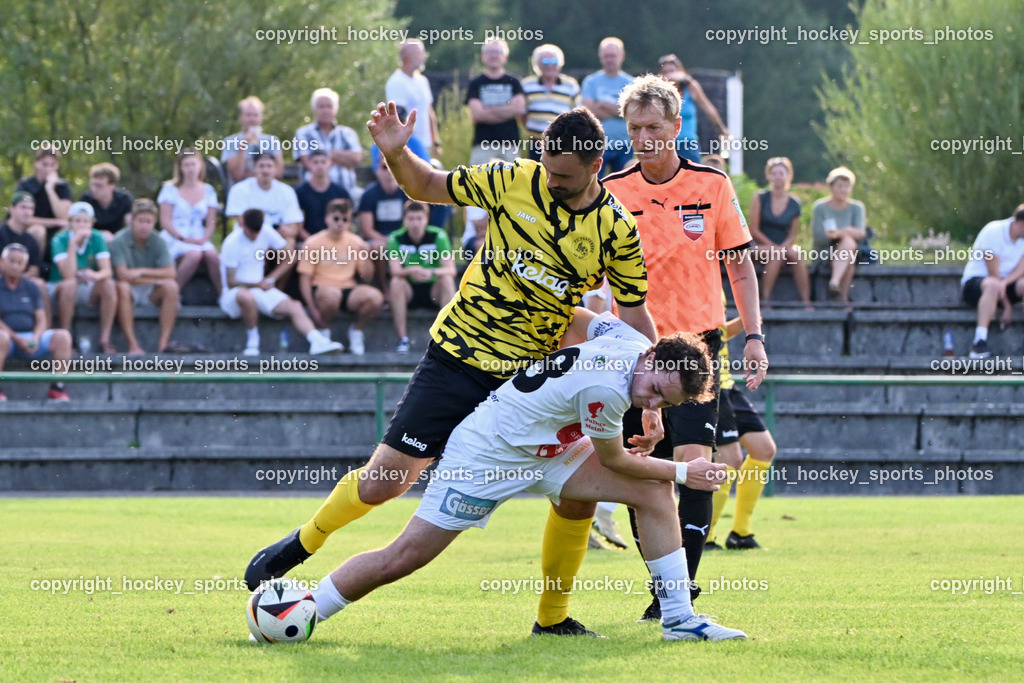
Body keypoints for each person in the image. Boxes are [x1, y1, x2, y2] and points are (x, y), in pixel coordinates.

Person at [246, 103, 659, 639]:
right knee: (383, 483)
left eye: (563, 175)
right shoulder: (512, 178)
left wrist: (650, 396)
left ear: (596, 164)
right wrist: (397, 152)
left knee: (580, 496)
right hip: (457, 359)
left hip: (528, 383)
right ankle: (304, 542)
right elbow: (426, 185)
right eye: (546, 168)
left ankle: (552, 619)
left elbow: (633, 315)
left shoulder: (616, 228)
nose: (551, 181)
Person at [307, 312, 746, 642]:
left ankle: (678, 618)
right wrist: (687, 471)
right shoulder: (606, 389)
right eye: (654, 392)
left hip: (548, 448)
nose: (649, 402)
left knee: (652, 490)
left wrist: (652, 412)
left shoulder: (631, 340)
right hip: (487, 455)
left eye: (665, 403)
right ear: (652, 357)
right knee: (404, 557)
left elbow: (574, 314)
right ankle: (305, 608)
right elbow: (615, 460)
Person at [602, 74, 767, 621]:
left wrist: (754, 336)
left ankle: (681, 592)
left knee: (696, 465)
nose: (643, 138)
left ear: (676, 126)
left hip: (698, 346)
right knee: (640, 469)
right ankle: (664, 586)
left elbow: (740, 266)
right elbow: (594, 275)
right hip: (633, 348)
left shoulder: (711, 185)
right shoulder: (612, 191)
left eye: (653, 127)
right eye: (634, 128)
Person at [219, 208, 342, 357]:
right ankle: (252, 343)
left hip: (259, 289)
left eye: (258, 231)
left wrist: (272, 278)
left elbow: (291, 256)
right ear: (243, 224)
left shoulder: (266, 231)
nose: (255, 235)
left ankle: (317, 341)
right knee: (246, 296)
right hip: (234, 294)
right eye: (252, 231)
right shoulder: (231, 243)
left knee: (295, 306)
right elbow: (231, 282)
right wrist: (258, 284)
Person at [706, 299, 777, 551]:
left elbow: (719, 331)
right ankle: (705, 536)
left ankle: (740, 533)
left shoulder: (719, 287)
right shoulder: (697, 284)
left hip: (727, 385)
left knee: (764, 449)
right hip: (710, 386)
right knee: (729, 460)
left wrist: (750, 320)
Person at [297, 198, 382, 355]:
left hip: (348, 288)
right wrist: (312, 308)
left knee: (375, 298)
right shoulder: (313, 242)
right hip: (323, 288)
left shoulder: (356, 242)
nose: (340, 223)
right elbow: (304, 278)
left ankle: (357, 331)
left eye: (345, 219)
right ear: (327, 218)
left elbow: (367, 277)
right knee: (332, 295)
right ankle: (324, 330)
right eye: (336, 218)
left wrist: (367, 257)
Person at [0, 243, 72, 402]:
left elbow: (41, 318)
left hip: (30, 337)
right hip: (7, 339)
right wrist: (16, 338)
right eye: (11, 261)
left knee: (63, 336)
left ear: (25, 266)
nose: (15, 266)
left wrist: (35, 338)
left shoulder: (31, 287)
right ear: (2, 262)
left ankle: (58, 387)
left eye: (19, 262)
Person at [111, 200, 181, 355]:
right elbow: (122, 275)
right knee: (122, 287)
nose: (144, 226)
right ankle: (132, 344)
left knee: (171, 287)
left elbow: (171, 272)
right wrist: (157, 279)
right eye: (141, 221)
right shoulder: (119, 240)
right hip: (130, 290)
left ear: (154, 223)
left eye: (148, 222)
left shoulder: (159, 241)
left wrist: (141, 272)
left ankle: (163, 344)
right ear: (132, 221)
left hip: (150, 289)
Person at [386, 201, 456, 353]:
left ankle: (446, 337)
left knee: (447, 280)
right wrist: (411, 270)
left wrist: (431, 272)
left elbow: (450, 269)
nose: (415, 223)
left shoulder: (438, 235)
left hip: (433, 290)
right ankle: (402, 339)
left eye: (419, 218)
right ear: (405, 220)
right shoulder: (395, 238)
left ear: (426, 219)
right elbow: (395, 271)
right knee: (396, 282)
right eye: (411, 219)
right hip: (409, 291)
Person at [48, 202, 118, 353]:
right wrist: (73, 244)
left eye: (85, 221)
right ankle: (66, 338)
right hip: (61, 287)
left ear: (92, 223)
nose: (82, 225)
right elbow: (67, 274)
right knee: (70, 285)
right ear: (70, 222)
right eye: (77, 221)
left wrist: (95, 275)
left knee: (109, 285)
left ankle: (105, 340)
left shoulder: (98, 237)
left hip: (87, 286)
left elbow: (107, 271)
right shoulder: (59, 239)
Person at [960, 205, 1024, 359]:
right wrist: (1007, 306)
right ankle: (979, 342)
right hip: (977, 285)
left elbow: (1020, 269)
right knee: (993, 285)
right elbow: (994, 274)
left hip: (1004, 285)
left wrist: (1006, 283)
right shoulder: (993, 232)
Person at [748, 157, 811, 307]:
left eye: (781, 173)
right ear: (769, 176)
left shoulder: (794, 204)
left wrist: (783, 247)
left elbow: (793, 234)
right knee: (775, 254)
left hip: (783, 245)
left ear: (788, 176)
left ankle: (806, 300)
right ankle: (766, 299)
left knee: (797, 255)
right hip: (759, 246)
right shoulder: (760, 198)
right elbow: (754, 230)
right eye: (774, 173)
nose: (778, 177)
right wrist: (774, 247)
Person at [158, 149, 222, 297]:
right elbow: (165, 221)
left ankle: (221, 294)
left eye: (193, 164)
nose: (190, 169)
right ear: (180, 168)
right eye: (186, 165)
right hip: (176, 235)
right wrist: (182, 238)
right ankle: (174, 292)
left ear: (200, 166)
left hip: (199, 235)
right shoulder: (170, 189)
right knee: (194, 255)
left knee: (212, 255)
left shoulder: (208, 190)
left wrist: (204, 238)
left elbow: (211, 221)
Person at [225, 153, 304, 260]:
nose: (265, 170)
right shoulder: (239, 189)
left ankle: (275, 272)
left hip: (277, 237)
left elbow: (293, 226)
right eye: (261, 166)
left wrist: (286, 231)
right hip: (250, 235)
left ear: (275, 169)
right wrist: (268, 236)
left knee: (290, 246)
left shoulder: (287, 191)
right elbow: (242, 222)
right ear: (254, 168)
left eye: (269, 166)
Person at [657, 54, 729, 164]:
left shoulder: (690, 87)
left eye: (672, 71)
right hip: (665, 144)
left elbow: (708, 108)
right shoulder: (658, 92)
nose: (670, 75)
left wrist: (721, 129)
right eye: (665, 72)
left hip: (688, 144)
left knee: (694, 172)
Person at [294, 88, 364, 201]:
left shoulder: (347, 133)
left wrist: (326, 154)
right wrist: (342, 157)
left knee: (362, 196)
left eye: (329, 106)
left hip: (347, 190)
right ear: (314, 109)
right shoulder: (303, 133)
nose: (325, 110)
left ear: (336, 109)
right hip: (314, 193)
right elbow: (307, 161)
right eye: (321, 106)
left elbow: (356, 158)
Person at [811, 166, 866, 304]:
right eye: (840, 186)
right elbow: (819, 235)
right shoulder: (820, 207)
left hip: (850, 250)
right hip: (825, 250)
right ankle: (843, 299)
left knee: (848, 245)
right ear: (831, 187)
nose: (843, 190)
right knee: (849, 256)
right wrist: (846, 232)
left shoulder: (857, 207)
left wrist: (840, 233)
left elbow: (860, 232)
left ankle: (835, 283)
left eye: (847, 186)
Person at [466, 38, 525, 165]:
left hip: (510, 145)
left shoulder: (514, 82)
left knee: (513, 177)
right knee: (477, 177)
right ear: (483, 56)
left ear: (505, 57)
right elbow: (477, 115)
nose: (494, 55)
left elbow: (518, 109)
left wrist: (488, 111)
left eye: (498, 52)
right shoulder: (476, 83)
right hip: (482, 145)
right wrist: (506, 110)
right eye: (490, 52)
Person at [581, 37, 634, 176]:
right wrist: (620, 110)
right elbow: (590, 111)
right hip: (597, 145)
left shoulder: (632, 83)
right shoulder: (590, 82)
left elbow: (633, 112)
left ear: (622, 56)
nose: (609, 59)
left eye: (612, 56)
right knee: (594, 183)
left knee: (623, 184)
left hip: (625, 145)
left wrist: (603, 105)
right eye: (606, 56)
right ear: (600, 56)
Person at [520, 44, 580, 162]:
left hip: (562, 142)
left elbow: (577, 113)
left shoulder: (571, 85)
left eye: (554, 61)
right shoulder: (527, 85)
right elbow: (522, 114)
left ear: (560, 63)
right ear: (537, 64)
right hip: (536, 142)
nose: (550, 65)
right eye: (546, 62)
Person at [385, 39, 441, 157]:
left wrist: (435, 142)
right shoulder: (396, 82)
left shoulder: (423, 81)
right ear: (408, 55)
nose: (424, 57)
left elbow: (429, 112)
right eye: (420, 53)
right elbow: (399, 117)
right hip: (409, 145)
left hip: (425, 145)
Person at [0, 192, 49, 318]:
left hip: (22, 280)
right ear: (12, 209)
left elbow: (35, 267)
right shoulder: (1, 233)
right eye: (23, 207)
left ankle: (45, 327)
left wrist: (19, 277)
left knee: (40, 284)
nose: (27, 212)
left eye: (31, 209)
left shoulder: (31, 240)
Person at [16, 148, 72, 256]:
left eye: (52, 165)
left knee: (69, 230)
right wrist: (55, 222)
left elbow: (64, 216)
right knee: (39, 230)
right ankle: (37, 264)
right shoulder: (25, 186)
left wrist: (50, 189)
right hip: (30, 231)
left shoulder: (63, 187)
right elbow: (22, 219)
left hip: (55, 233)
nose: (48, 169)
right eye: (44, 164)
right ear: (36, 163)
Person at [221, 96, 285, 184]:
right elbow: (237, 175)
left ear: (261, 118)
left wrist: (249, 174)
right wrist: (243, 146)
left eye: (255, 115)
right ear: (240, 117)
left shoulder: (272, 140)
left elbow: (279, 174)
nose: (252, 119)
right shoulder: (230, 141)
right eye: (248, 115)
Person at [295, 149, 351, 239]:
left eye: (323, 162)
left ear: (330, 163)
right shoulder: (300, 193)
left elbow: (346, 222)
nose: (320, 166)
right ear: (309, 164)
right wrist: (314, 242)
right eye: (316, 162)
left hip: (336, 240)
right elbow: (298, 227)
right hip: (308, 241)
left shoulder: (341, 193)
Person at [79, 163, 134, 239]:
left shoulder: (124, 199)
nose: (94, 189)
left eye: (99, 186)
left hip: (117, 240)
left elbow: (131, 225)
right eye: (92, 185)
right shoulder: (86, 200)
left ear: (112, 185)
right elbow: (80, 226)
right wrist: (100, 234)